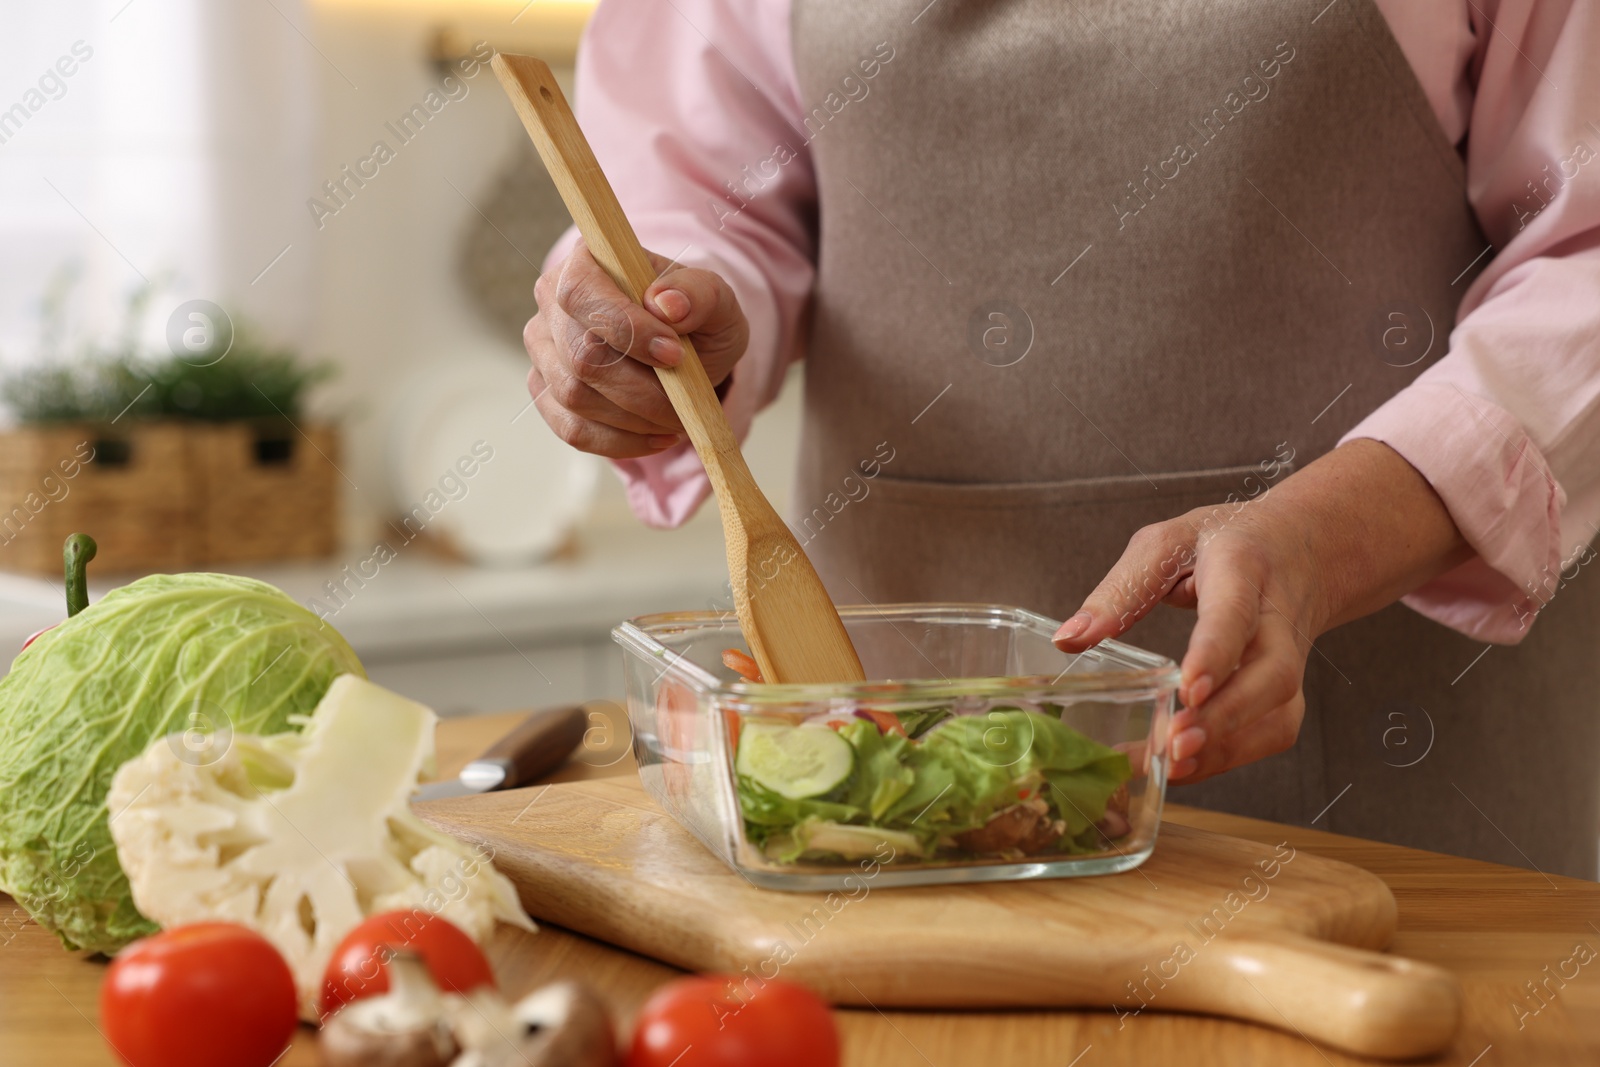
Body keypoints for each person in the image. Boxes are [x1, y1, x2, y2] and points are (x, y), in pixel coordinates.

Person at [522, 0, 1600, 879]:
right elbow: (715, 206)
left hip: (1398, 764)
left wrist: (1317, 539)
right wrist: (663, 338)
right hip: (897, 768)